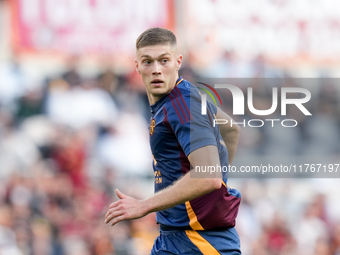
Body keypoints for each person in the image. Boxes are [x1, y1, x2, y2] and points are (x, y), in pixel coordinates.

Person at [105, 27, 242, 254]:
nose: (156, 69)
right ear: (137, 65)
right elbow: (232, 130)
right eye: (148, 62)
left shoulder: (182, 105)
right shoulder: (182, 96)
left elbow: (208, 176)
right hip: (174, 237)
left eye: (164, 61)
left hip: (200, 242)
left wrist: (144, 205)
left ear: (178, 62)